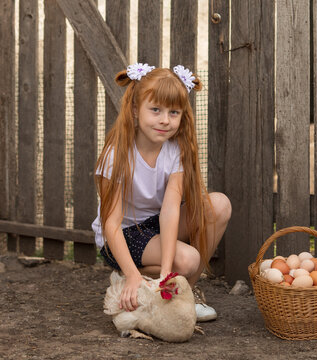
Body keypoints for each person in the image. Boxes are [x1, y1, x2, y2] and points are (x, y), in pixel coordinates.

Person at [92, 63, 231, 322]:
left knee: (220, 204)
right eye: (155, 110)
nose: (165, 120)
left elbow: (169, 211)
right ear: (135, 109)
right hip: (122, 235)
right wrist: (132, 273)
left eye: (174, 112)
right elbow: (111, 224)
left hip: (154, 225)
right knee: (188, 259)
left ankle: (183, 290)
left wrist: (167, 269)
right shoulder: (117, 154)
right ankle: (133, 277)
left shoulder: (175, 148)